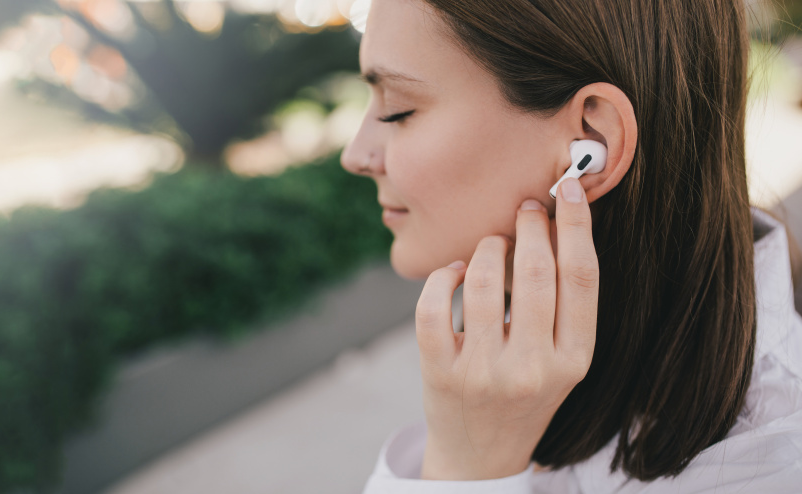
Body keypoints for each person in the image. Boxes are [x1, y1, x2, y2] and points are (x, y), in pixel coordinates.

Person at [340, 0, 802, 492]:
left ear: (591, 142)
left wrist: (465, 469)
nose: (355, 155)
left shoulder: (764, 461)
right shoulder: (508, 352)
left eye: (397, 111)